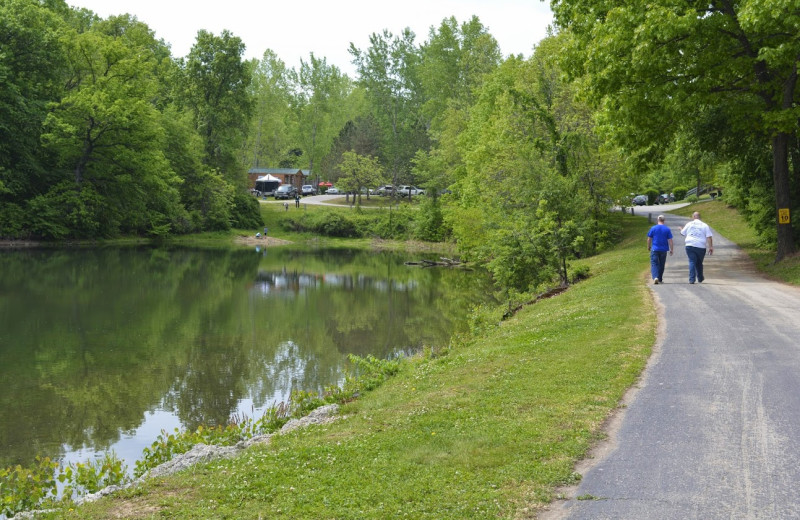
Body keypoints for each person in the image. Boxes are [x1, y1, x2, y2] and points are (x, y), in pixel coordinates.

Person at [680, 211, 714, 284]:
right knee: (699, 262)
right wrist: (710, 247)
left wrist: (681, 229)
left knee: (692, 261)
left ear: (693, 217)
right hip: (701, 246)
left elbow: (682, 233)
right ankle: (700, 277)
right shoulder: (704, 225)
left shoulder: (689, 224)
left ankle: (692, 279)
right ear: (699, 217)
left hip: (690, 245)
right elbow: (709, 237)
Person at [647, 215, 674, 284]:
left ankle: (655, 277)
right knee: (662, 264)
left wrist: (648, 246)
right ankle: (660, 278)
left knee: (654, 263)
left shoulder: (653, 228)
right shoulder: (667, 229)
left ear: (657, 220)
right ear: (664, 220)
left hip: (655, 249)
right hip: (663, 249)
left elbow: (649, 239)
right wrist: (671, 249)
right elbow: (670, 240)